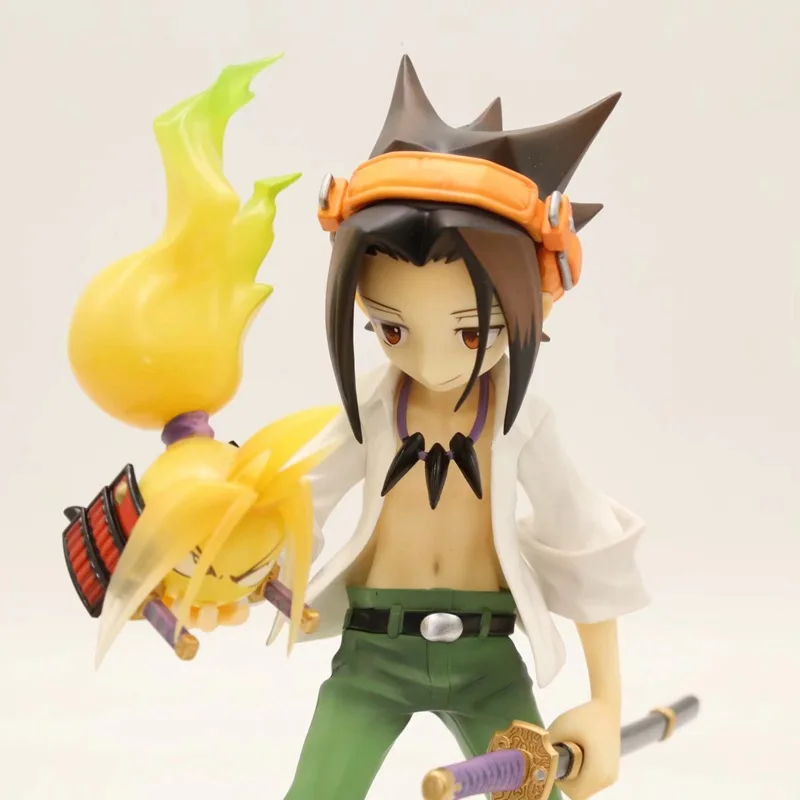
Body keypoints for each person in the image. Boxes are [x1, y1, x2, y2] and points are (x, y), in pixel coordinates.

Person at [275, 56, 650, 800]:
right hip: (371, 654)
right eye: (391, 329)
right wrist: (245, 569)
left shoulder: (523, 423)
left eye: (472, 331)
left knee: (532, 794)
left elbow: (585, 545)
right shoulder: (369, 412)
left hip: (487, 661)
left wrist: (606, 704)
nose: (430, 360)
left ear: (540, 297)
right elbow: (292, 501)